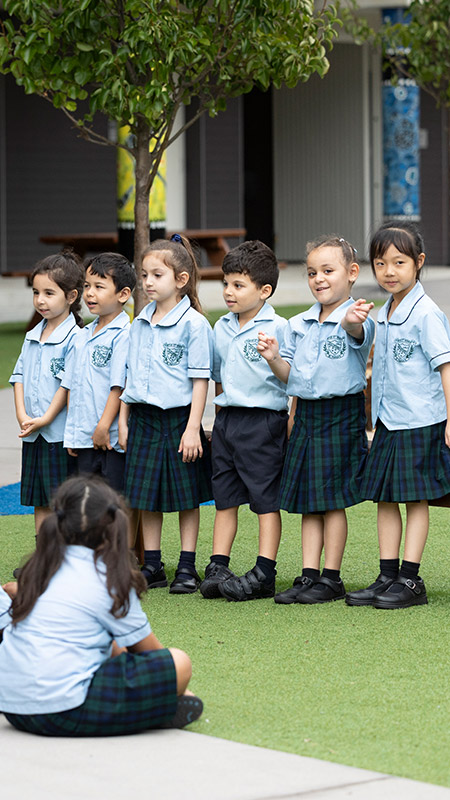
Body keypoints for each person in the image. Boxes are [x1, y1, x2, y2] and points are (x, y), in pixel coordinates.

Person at [0, 476, 203, 735]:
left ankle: (149, 707)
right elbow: (151, 653)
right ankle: (155, 707)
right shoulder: (108, 579)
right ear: (113, 527)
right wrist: (176, 686)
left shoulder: (39, 569)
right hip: (61, 710)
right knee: (179, 663)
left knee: (108, 642)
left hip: (13, 708)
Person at [258, 235, 375, 604]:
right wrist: (274, 358)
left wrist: (353, 322)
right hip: (306, 414)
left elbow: (358, 335)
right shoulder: (298, 324)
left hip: (341, 414)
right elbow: (288, 375)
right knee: (309, 500)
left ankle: (332, 576)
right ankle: (309, 575)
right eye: (312, 272)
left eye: (328, 270)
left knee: (332, 499)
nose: (319, 278)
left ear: (351, 273)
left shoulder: (357, 316)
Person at [346, 221, 450, 609]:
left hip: (420, 421)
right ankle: (387, 575)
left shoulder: (426, 314)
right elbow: (359, 337)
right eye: (381, 263)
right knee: (385, 500)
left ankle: (410, 580)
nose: (389, 272)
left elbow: (446, 366)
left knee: (414, 500)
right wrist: (353, 323)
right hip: (389, 421)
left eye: (399, 262)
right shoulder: (386, 310)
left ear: (418, 263)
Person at [119, 234, 213, 594]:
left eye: (156, 275)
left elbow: (200, 381)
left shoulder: (194, 325)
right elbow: (129, 375)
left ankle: (187, 568)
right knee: (147, 497)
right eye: (144, 275)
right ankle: (154, 565)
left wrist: (194, 429)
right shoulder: (139, 322)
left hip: (178, 421)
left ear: (181, 280)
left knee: (186, 497)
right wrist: (124, 421)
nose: (147, 282)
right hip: (143, 419)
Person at [200, 240, 289, 602]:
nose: (228, 292)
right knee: (225, 498)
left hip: (263, 423)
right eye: (226, 284)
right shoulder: (220, 327)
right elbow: (219, 377)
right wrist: (220, 420)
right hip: (227, 422)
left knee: (264, 500)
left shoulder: (279, 327)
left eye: (239, 285)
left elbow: (291, 379)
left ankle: (264, 571)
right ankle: (218, 564)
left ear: (264, 290)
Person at [10, 250, 84, 535]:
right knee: (39, 499)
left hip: (59, 434)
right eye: (36, 292)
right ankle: (45, 556)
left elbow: (67, 385)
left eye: (49, 293)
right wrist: (22, 415)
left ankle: (63, 558)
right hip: (34, 433)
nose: (40, 300)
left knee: (62, 500)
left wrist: (45, 418)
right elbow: (18, 376)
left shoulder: (76, 338)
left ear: (71, 296)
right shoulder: (31, 336)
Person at [63, 253, 136, 493]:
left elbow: (119, 386)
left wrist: (104, 426)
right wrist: (73, 432)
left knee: (113, 502)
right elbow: (72, 385)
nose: (89, 293)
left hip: (109, 439)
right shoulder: (82, 335)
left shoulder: (124, 334)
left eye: (99, 287)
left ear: (123, 294)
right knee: (87, 502)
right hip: (83, 436)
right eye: (86, 286)